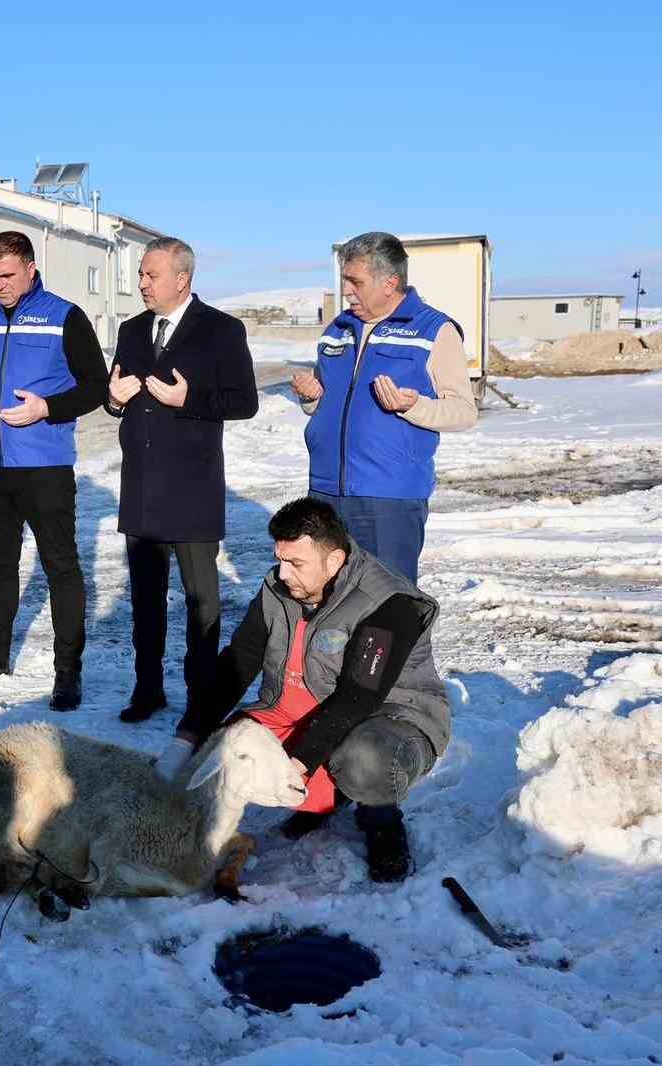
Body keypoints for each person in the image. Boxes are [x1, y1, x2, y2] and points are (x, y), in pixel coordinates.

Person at [157, 497, 450, 883]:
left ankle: (381, 821)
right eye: (280, 559)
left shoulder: (391, 603)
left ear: (334, 561)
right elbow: (238, 663)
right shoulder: (279, 589)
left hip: (388, 718)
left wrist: (296, 765)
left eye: (296, 563)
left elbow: (357, 697)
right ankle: (316, 803)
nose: (283, 573)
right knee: (221, 751)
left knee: (364, 760)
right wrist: (188, 737)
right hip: (301, 709)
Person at [0, 231, 105, 710]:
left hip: (45, 467)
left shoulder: (64, 316)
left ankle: (67, 672)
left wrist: (47, 408)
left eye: (8, 276)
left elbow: (95, 386)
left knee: (60, 566)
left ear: (31, 268)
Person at [106, 237, 258, 724]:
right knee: (146, 603)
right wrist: (112, 399)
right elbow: (118, 399)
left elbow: (244, 402)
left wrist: (187, 401)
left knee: (201, 603)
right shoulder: (131, 331)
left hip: (193, 489)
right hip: (143, 489)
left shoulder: (221, 330)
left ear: (182, 278)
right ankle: (147, 689)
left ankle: (201, 695)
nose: (142, 284)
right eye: (141, 276)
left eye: (151, 275)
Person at [291, 231, 477, 583]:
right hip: (325, 490)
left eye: (355, 281)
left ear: (390, 282)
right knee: (327, 601)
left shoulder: (433, 330)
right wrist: (310, 396)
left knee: (389, 608)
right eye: (345, 279)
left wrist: (414, 406)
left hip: (388, 497)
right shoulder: (338, 329)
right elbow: (328, 405)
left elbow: (463, 412)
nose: (346, 290)